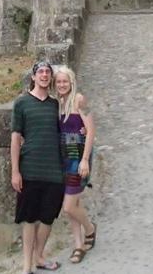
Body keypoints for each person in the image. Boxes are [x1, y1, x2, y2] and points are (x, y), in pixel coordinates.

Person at [11, 60, 65, 273]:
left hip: (54, 169)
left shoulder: (56, 105)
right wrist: (15, 171)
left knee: (48, 218)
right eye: (40, 72)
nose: (44, 75)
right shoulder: (21, 103)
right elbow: (15, 138)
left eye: (47, 72)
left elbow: (72, 122)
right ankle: (26, 267)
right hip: (30, 169)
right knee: (29, 218)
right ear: (33, 77)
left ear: (50, 78)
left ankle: (40, 257)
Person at [54, 65, 97, 264]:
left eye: (65, 81)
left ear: (71, 82)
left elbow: (90, 131)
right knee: (74, 203)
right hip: (64, 158)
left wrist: (85, 159)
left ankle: (90, 229)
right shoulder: (58, 104)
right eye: (59, 81)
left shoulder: (80, 100)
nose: (62, 85)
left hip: (78, 157)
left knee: (69, 206)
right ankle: (78, 246)